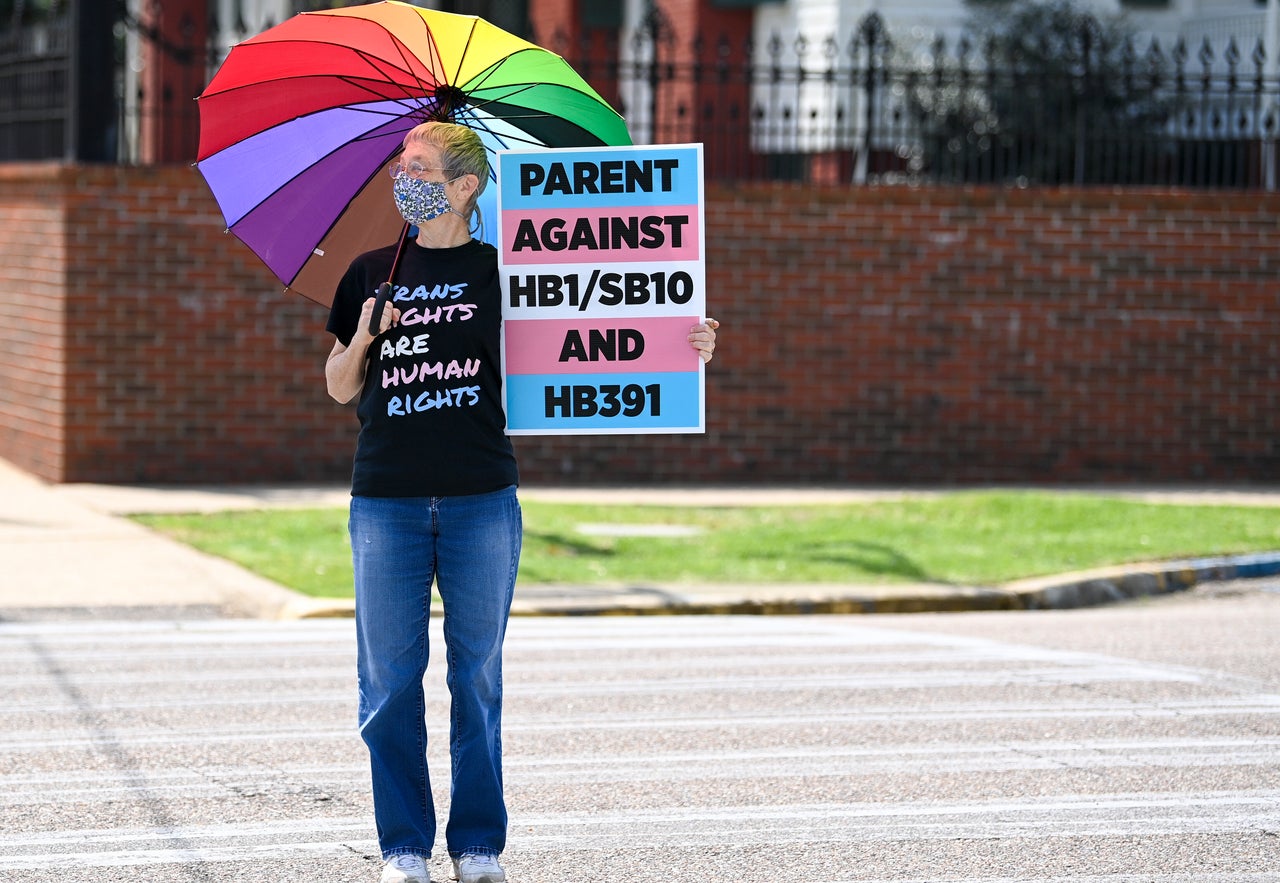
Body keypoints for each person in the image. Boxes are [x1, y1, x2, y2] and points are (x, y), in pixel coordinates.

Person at [324, 121, 719, 883]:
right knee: (389, 684)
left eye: (419, 167)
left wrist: (685, 340)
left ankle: (478, 845)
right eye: (402, 166)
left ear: (466, 187)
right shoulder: (371, 270)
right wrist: (365, 335)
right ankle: (403, 848)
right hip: (386, 502)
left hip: (481, 500)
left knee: (476, 676)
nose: (403, 179)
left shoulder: (507, 273)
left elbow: (605, 324)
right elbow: (340, 386)